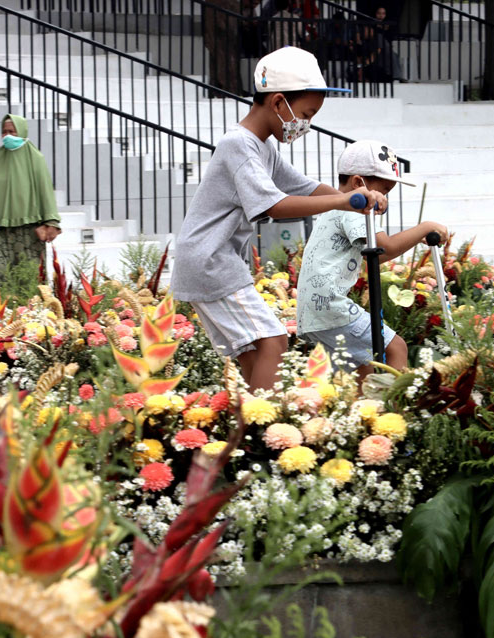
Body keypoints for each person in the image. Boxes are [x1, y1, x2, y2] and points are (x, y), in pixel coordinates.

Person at [170, 46, 386, 392]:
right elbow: (275, 205)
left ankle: (252, 432)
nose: (307, 124)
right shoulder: (238, 145)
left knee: (255, 354)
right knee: (274, 340)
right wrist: (347, 199)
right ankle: (267, 427)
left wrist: (356, 202)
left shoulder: (262, 145)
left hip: (215, 260)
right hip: (211, 261)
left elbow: (305, 187)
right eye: (307, 113)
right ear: (278, 103)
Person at [296, 140, 447, 379]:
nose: (385, 197)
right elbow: (384, 251)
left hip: (315, 310)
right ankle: (391, 408)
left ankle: (364, 414)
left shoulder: (337, 207)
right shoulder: (354, 207)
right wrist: (425, 227)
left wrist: (414, 237)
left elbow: (375, 253)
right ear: (358, 183)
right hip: (330, 306)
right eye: (384, 191)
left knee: (362, 369)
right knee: (396, 348)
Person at [0, 113, 61, 299]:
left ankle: (30, 323)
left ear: (22, 131)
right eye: (4, 132)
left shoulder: (35, 157)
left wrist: (50, 220)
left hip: (29, 230)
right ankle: (1, 323)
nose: (7, 135)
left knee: (29, 279)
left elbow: (45, 189)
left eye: (12, 131)